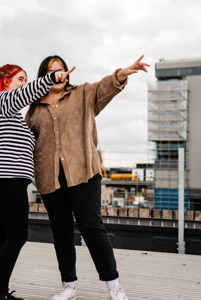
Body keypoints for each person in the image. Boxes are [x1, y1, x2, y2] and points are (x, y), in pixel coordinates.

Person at [25, 55, 149, 300]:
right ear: (44, 76)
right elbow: (29, 140)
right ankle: (68, 286)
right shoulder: (35, 108)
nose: (58, 74)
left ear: (67, 73)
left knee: (92, 228)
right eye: (52, 72)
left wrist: (123, 73)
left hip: (83, 173)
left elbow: (106, 86)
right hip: (50, 178)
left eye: (61, 70)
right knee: (61, 232)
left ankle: (114, 287)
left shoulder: (82, 94)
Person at [0, 63, 74, 300]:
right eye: (20, 79)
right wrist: (53, 77)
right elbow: (25, 94)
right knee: (17, 236)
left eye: (25, 80)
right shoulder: (1, 101)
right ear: (5, 82)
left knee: (2, 237)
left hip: (3, 179)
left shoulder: (8, 113)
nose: (24, 84)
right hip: (7, 179)